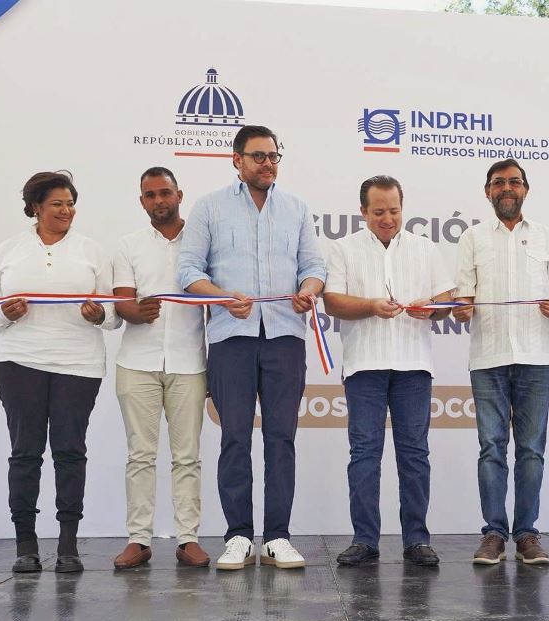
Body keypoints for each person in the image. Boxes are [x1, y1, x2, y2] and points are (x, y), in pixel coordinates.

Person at [177, 125, 326, 570]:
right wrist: (222, 296)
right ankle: (239, 536)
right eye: (258, 156)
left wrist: (308, 290)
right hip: (231, 339)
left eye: (273, 156)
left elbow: (314, 266)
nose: (268, 164)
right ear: (237, 160)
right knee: (234, 438)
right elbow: (188, 271)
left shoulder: (296, 208)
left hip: (285, 337)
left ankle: (278, 537)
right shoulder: (209, 207)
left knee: (281, 439)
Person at [0, 171, 118, 574]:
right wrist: (4, 313)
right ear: (35, 207)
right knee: (25, 452)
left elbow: (114, 314)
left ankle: (68, 545)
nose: (66, 211)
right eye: (57, 203)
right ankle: (25, 545)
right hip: (19, 361)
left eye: (71, 203)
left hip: (79, 364)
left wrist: (99, 315)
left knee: (70, 451)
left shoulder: (92, 251)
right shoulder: (8, 250)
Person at [324, 175, 454, 567]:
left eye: (394, 211)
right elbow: (332, 302)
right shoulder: (343, 249)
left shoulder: (425, 248)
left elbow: (446, 301)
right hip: (364, 366)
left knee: (414, 453)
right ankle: (365, 540)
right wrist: (371, 306)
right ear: (363, 211)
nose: (387, 218)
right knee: (365, 453)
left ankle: (417, 539)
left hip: (413, 366)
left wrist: (431, 308)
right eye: (378, 211)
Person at [452, 159, 549, 565]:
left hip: (536, 358)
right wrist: (462, 308)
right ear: (488, 191)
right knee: (491, 448)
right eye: (499, 182)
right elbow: (463, 296)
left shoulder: (547, 237)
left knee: (532, 450)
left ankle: (526, 535)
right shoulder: (471, 238)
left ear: (526, 189)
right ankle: (493, 533)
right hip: (488, 357)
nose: (507, 188)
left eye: (515, 182)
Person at [112, 167, 210, 570]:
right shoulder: (128, 245)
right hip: (137, 362)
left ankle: (189, 539)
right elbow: (122, 300)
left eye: (165, 193)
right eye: (150, 195)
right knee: (140, 456)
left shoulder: (202, 242)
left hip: (189, 362)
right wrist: (134, 312)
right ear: (142, 201)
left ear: (179, 195)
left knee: (187, 456)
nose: (159, 201)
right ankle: (139, 539)